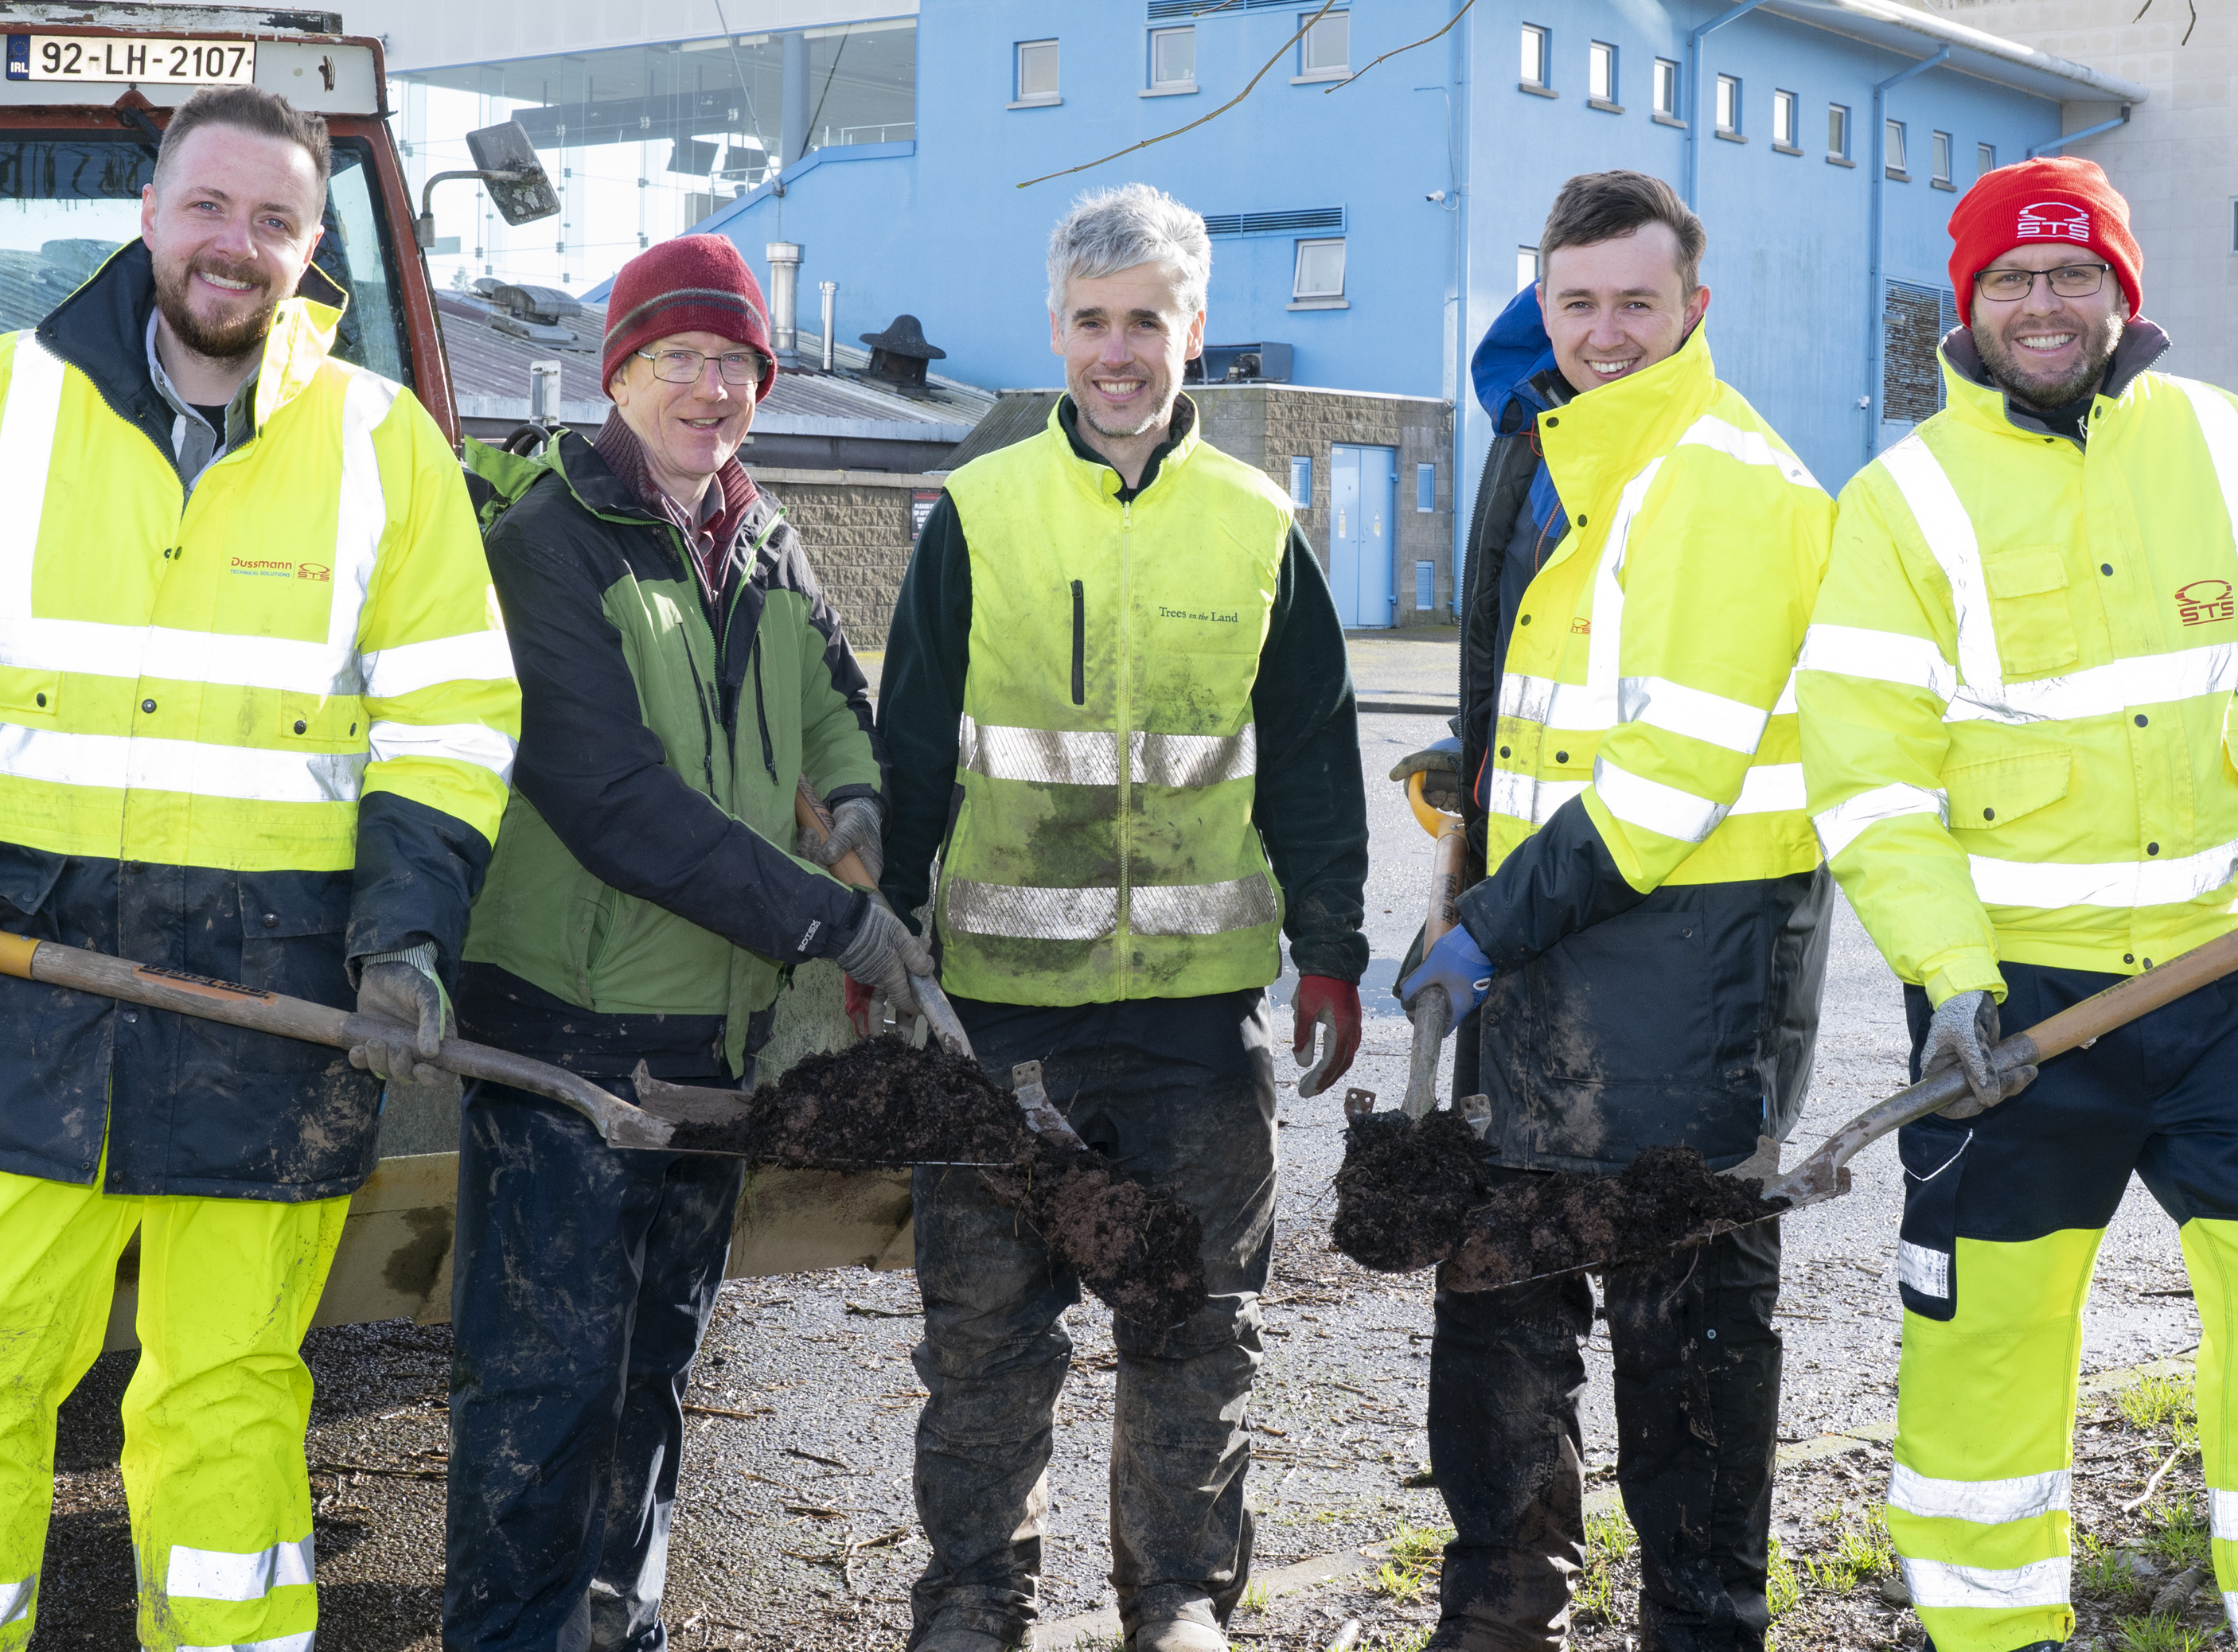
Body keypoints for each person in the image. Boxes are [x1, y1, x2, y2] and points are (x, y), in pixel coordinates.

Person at [0, 84, 520, 1652]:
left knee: (232, 1389)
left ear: (313, 252)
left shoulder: (385, 447)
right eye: (206, 208)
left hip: (274, 996)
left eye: (271, 221)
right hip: (9, 979)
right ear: (150, 215)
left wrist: (406, 937)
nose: (231, 246)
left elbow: (450, 722)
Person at [1798, 154, 2238, 1652]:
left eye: (2074, 273)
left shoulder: (2212, 439)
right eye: (2012, 278)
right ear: (1970, 307)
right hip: (2009, 1002)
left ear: (2122, 293)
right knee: (1988, 1343)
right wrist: (1950, 976)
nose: (2044, 302)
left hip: (2217, 980)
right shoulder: (1902, 503)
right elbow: (1873, 785)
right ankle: (1993, 1632)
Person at [875, 183, 1369, 1652]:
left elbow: (1317, 759)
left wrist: (1334, 949)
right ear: (1056, 331)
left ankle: (1174, 1601)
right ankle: (973, 1597)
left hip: (1191, 1021)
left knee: (1200, 1327)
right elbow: (906, 754)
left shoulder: (1259, 523)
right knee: (981, 1336)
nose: (1117, 350)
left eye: (1145, 319)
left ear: (1193, 331)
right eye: (1092, 322)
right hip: (997, 1012)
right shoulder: (976, 512)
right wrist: (888, 941)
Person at [441, 232, 912, 1651]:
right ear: (620, 374)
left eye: (734, 364)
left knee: (656, 1367)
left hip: (715, 1039)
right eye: (678, 360)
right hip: (563, 1032)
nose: (711, 389)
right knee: (544, 1380)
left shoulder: (765, 539)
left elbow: (833, 701)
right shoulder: (547, 545)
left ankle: (616, 1621)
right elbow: (611, 800)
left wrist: (863, 812)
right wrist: (833, 917)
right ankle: (513, 1636)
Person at [1394, 170, 1836, 1651]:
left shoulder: (1733, 480)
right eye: (1576, 302)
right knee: (1502, 1312)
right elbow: (1563, 693)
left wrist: (1478, 931)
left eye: (1636, 302)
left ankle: (1701, 1628)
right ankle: (1503, 1612)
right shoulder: (1554, 448)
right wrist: (1482, 768)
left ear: (1693, 307)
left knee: (1689, 1350)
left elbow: (1669, 778)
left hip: (1690, 984)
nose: (1604, 331)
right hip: (1542, 967)